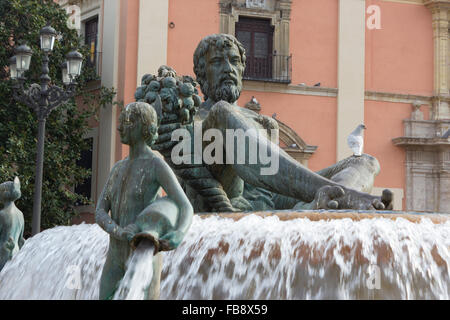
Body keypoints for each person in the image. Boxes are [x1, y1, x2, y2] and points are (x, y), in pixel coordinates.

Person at [191, 34, 391, 211]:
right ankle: (343, 195)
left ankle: (326, 203)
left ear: (242, 69)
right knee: (222, 111)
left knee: (365, 161)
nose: (228, 69)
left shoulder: (263, 123)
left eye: (234, 61)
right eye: (217, 62)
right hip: (223, 203)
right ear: (201, 73)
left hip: (273, 204)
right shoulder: (192, 119)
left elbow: (270, 191)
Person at [95, 102, 193, 300]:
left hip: (144, 254)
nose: (120, 126)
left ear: (144, 127)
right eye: (122, 121)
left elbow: (184, 205)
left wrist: (178, 233)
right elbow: (99, 211)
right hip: (114, 257)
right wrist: (119, 231)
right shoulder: (117, 169)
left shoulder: (155, 164)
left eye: (128, 121)